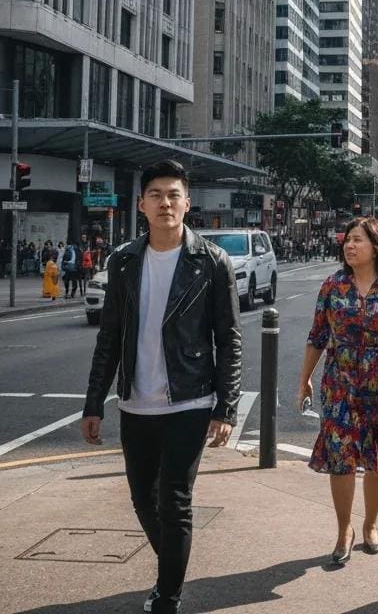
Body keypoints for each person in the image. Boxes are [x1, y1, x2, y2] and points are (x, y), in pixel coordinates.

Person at [81, 159, 242, 614]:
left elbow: (228, 338)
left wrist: (225, 406)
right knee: (141, 498)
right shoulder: (124, 261)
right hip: (135, 401)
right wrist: (94, 402)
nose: (165, 203)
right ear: (142, 204)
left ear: (187, 203)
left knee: (174, 500)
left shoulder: (211, 261)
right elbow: (108, 336)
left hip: (189, 399)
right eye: (156, 195)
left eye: (173, 195)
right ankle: (175, 561)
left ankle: (167, 594)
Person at [297, 216, 378, 565]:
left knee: (377, 459)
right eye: (347, 240)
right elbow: (317, 336)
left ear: (377, 246)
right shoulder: (332, 286)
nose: (350, 245)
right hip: (339, 384)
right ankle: (343, 529)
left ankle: (371, 525)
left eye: (358, 240)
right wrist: (304, 378)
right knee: (341, 459)